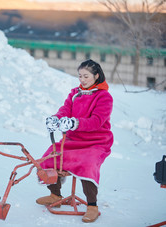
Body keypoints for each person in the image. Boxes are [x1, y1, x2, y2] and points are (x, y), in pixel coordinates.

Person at [36, 59, 113, 223]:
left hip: (96, 142)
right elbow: (65, 110)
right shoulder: (75, 93)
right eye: (80, 76)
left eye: (86, 76)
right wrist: (56, 118)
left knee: (87, 164)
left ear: (96, 76)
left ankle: (92, 206)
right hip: (73, 139)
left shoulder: (104, 97)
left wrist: (75, 123)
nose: (82, 80)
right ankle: (55, 195)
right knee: (49, 157)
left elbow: (97, 121)